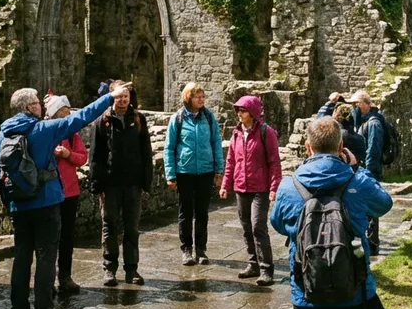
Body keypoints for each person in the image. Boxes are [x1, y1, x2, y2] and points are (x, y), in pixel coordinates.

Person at [0, 83, 130, 309]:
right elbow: (81, 117)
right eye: (36, 103)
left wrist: (10, 200)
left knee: (21, 258)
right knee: (46, 257)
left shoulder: (3, 134)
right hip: (45, 203)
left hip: (19, 205)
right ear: (28, 108)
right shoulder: (43, 130)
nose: (39, 106)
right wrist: (109, 97)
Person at [270, 116, 396, 309]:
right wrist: (357, 168)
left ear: (308, 147)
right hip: (356, 288)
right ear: (341, 147)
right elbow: (384, 204)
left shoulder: (289, 187)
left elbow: (277, 223)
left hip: (308, 288)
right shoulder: (357, 180)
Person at [91, 80, 153, 287]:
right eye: (118, 96)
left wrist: (146, 182)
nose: (123, 99)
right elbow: (96, 155)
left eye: (126, 95)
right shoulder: (102, 121)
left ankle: (131, 269)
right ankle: (109, 269)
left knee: (132, 227)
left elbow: (146, 152)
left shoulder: (138, 119)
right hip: (111, 183)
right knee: (109, 226)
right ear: (111, 97)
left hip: (133, 183)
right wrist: (96, 184)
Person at [219, 95, 282, 285]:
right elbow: (231, 161)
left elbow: (274, 162)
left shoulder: (266, 132)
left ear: (253, 112)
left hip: (259, 189)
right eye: (238, 110)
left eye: (243, 110)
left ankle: (266, 269)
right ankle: (253, 263)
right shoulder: (236, 133)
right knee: (246, 228)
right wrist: (225, 184)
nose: (239, 113)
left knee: (258, 227)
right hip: (241, 187)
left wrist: (274, 187)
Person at [164, 82, 224, 266]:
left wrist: (218, 169)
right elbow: (169, 147)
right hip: (185, 172)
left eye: (203, 96)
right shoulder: (178, 119)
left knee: (202, 212)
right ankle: (186, 249)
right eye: (197, 96)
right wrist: (170, 173)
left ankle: (201, 249)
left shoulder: (208, 117)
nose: (201, 99)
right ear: (188, 98)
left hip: (205, 171)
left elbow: (216, 143)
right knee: (185, 212)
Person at [44, 94, 87, 295]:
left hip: (69, 191)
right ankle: (47, 280)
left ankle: (65, 277)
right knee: (48, 237)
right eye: (63, 114)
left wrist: (68, 155)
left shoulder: (72, 134)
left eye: (68, 114)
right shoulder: (44, 132)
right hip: (48, 191)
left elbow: (82, 158)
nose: (67, 117)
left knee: (66, 237)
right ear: (54, 115)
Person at [348, 90, 387, 255]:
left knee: (371, 206)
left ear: (366, 104)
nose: (354, 108)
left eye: (356, 104)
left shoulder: (373, 123)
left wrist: (368, 174)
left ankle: (372, 244)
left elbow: (373, 150)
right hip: (361, 170)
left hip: (369, 171)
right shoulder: (361, 120)